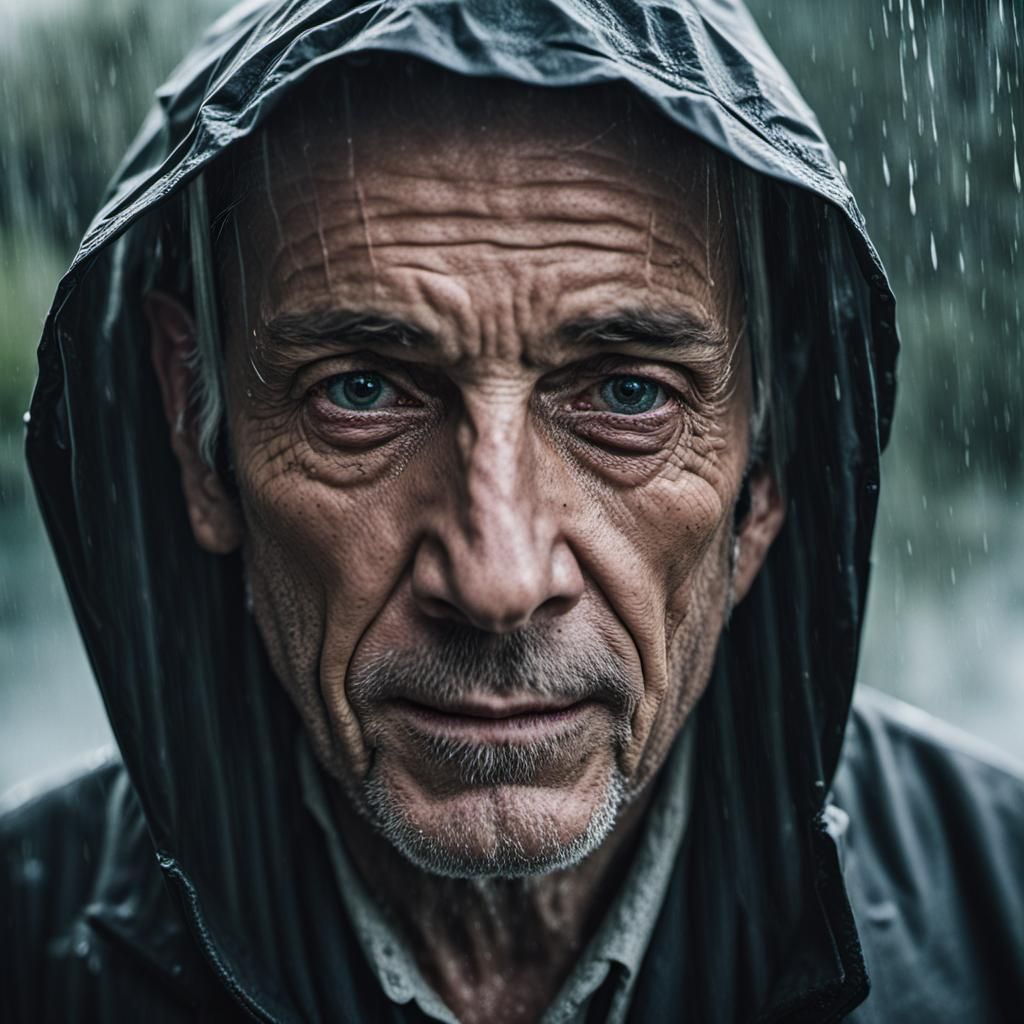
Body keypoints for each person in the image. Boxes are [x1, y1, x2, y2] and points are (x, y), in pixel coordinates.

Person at [2, 1, 1022, 1021]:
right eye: (360, 389)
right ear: (198, 437)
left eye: (628, 393)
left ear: (767, 466)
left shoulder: (998, 918)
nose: (499, 578)